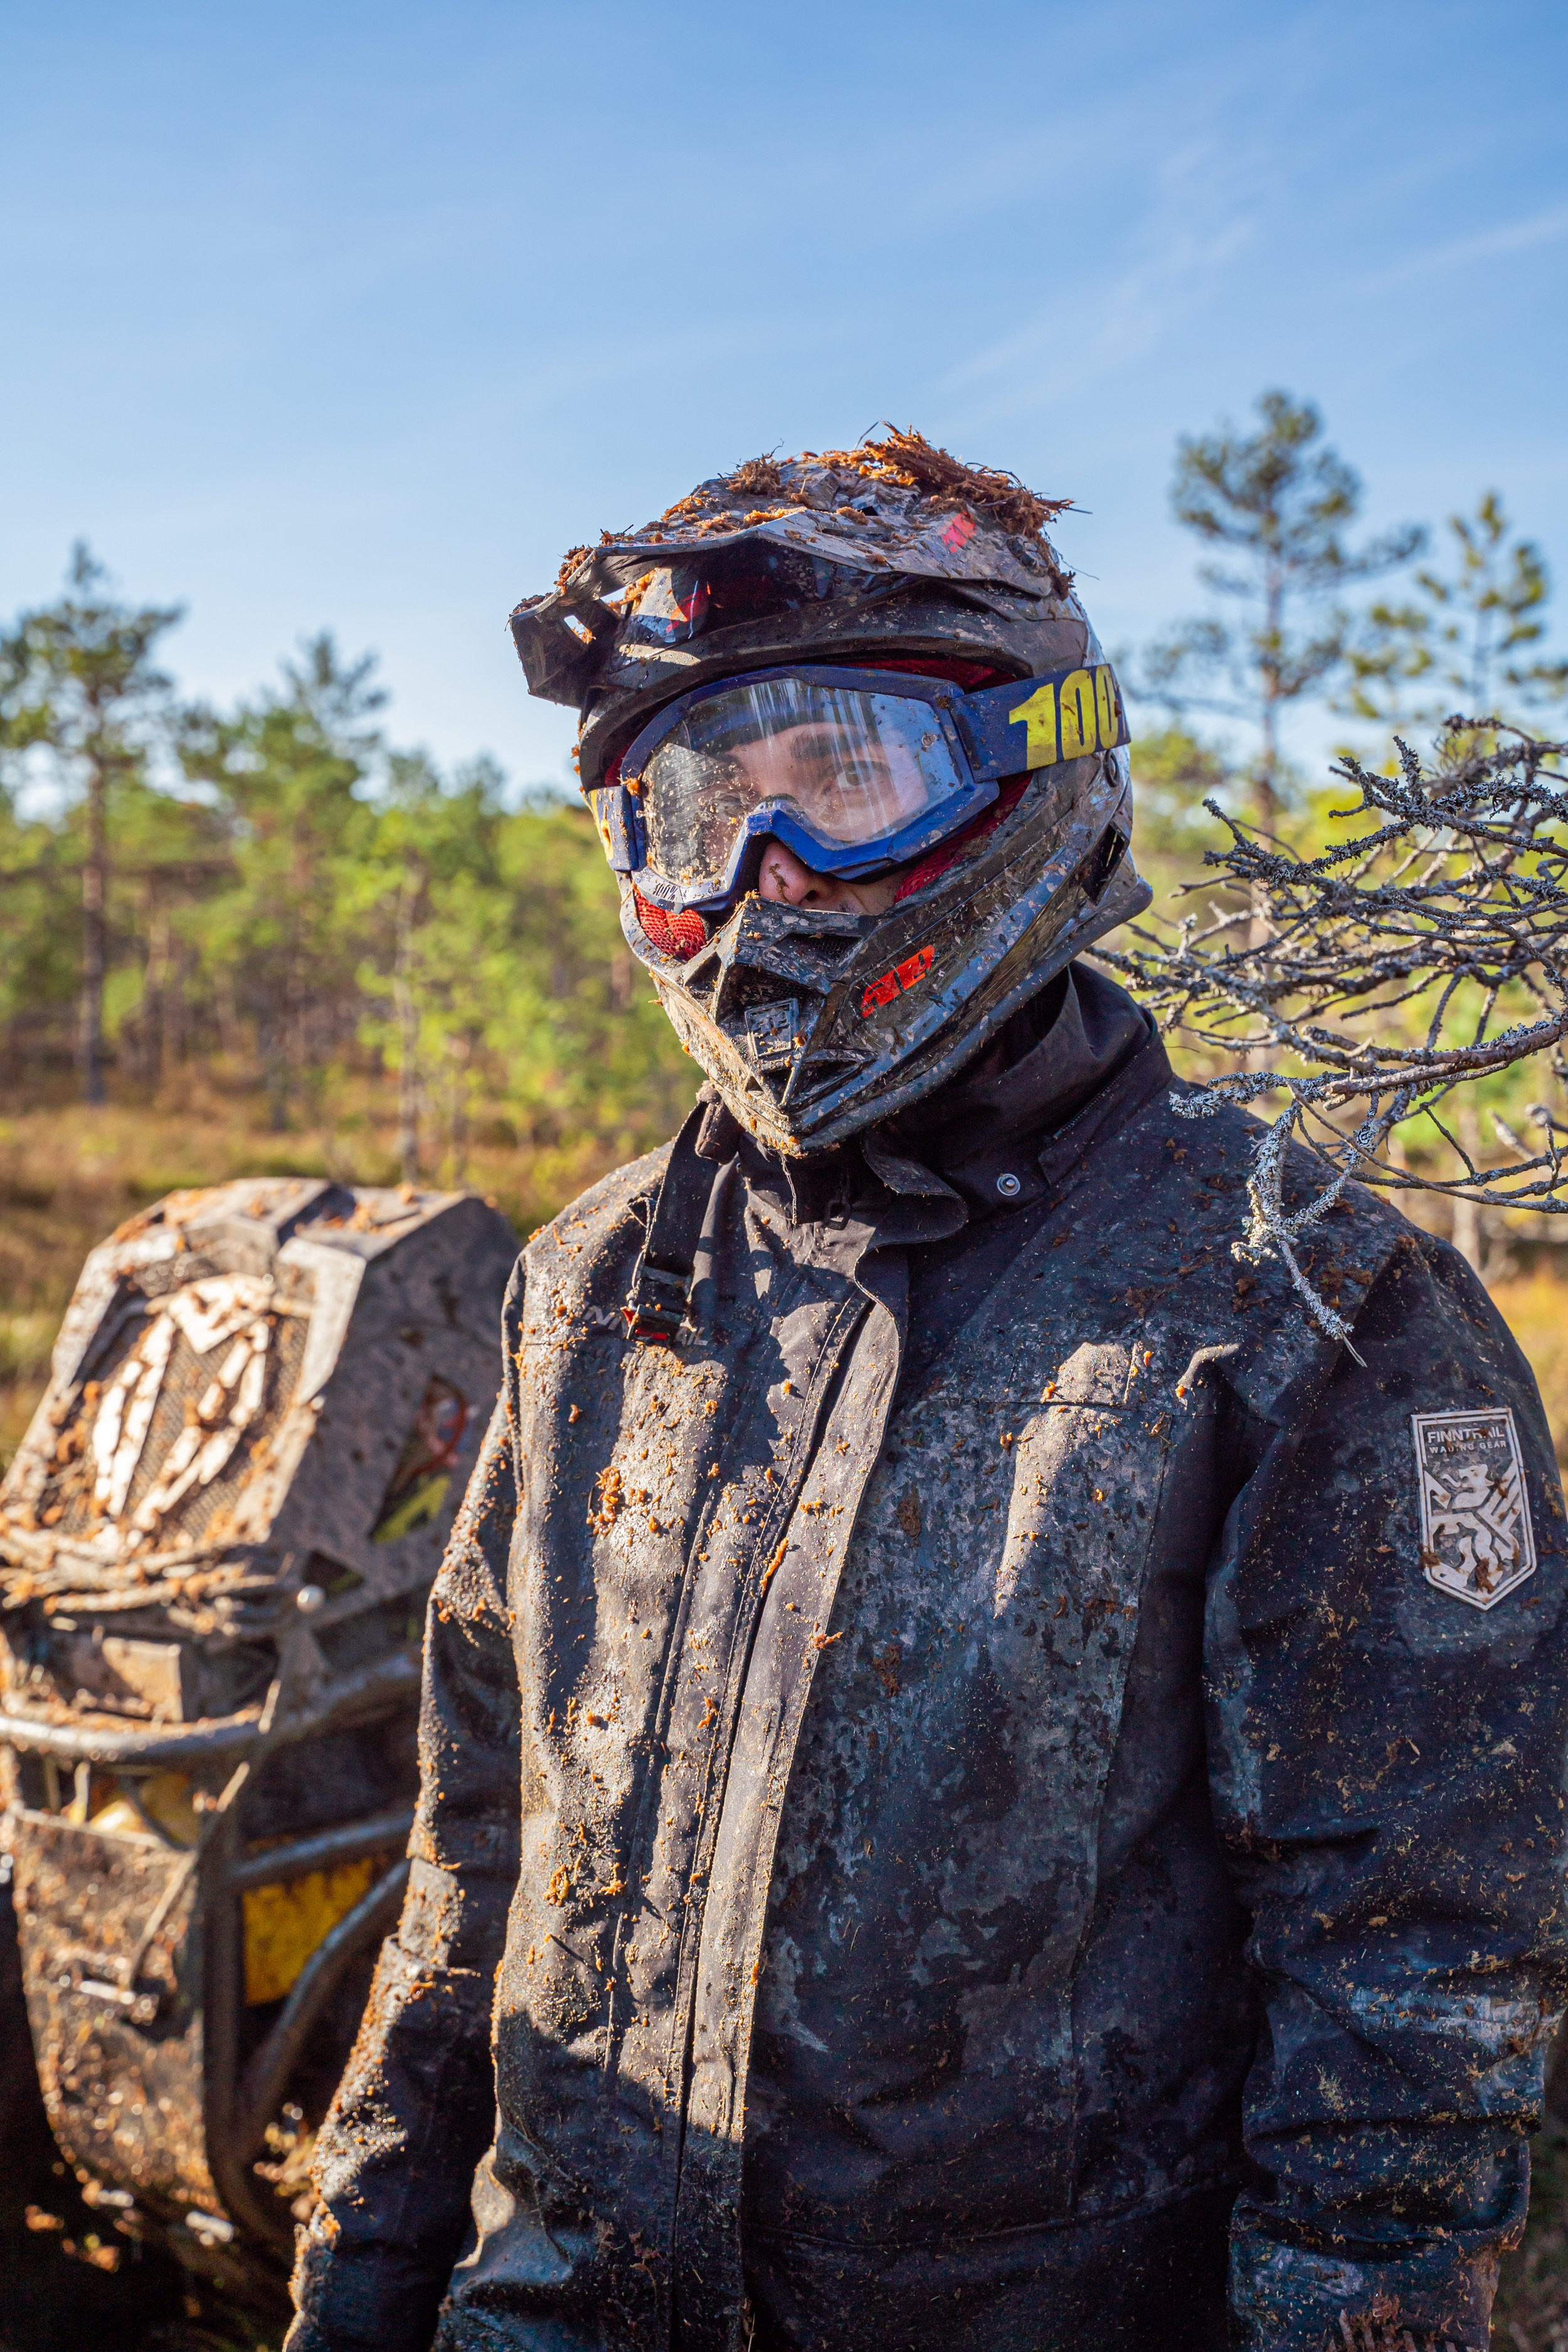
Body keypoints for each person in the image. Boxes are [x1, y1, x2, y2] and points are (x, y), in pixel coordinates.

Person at [285, 435, 1568, 2352]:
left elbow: (1411, 1982)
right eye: (702, 805)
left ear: (1024, 771)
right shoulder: (598, 1282)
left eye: (847, 776)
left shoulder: (1299, 1298)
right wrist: (363, 2280)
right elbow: (480, 1848)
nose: (769, 874)